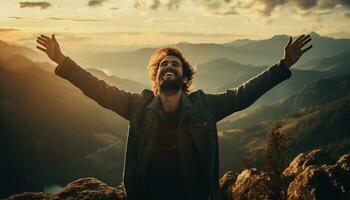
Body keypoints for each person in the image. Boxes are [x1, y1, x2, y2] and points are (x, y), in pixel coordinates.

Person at [36, 34, 312, 200]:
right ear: (156, 77)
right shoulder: (138, 106)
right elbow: (97, 88)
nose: (169, 66)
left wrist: (283, 65)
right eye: (163, 65)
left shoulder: (204, 106)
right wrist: (63, 61)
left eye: (175, 64)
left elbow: (243, 94)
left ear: (184, 77)